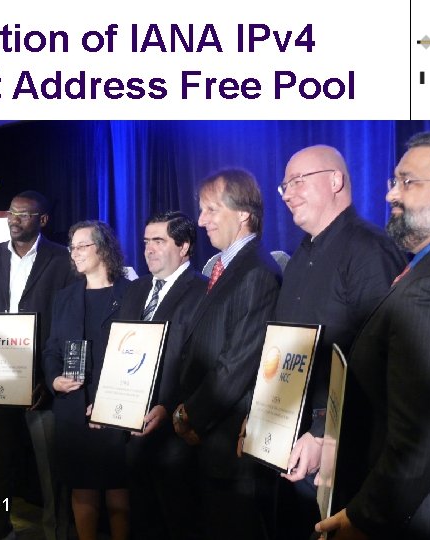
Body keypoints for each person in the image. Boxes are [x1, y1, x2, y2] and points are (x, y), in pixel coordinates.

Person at [316, 130, 430, 539]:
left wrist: (363, 518)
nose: (391, 193)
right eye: (395, 181)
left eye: (408, 182)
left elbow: (426, 435)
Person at [260, 145, 405, 538]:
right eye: (285, 186)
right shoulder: (300, 257)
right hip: (290, 444)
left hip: (345, 452)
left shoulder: (369, 250)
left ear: (336, 180)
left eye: (297, 182)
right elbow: (286, 351)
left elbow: (381, 361)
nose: (287, 194)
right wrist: (259, 417)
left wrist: (325, 432)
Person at [0, 190, 74, 540]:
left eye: (23, 214)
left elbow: (67, 323)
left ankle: (57, 533)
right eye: (11, 212)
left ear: (43, 220)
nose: (14, 219)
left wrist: (50, 377)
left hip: (41, 380)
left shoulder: (62, 259)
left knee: (51, 468)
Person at [172, 168, 281, 540]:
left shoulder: (256, 272)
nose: (201, 221)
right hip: (209, 441)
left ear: (243, 213)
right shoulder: (224, 267)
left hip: (227, 444)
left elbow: (237, 364)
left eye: (211, 210)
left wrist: (190, 415)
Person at [118, 211, 207, 540]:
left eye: (159, 241)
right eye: (146, 242)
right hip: (131, 427)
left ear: (184, 246)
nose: (149, 249)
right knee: (142, 521)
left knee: (178, 521)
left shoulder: (203, 291)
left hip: (174, 433)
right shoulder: (136, 288)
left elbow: (201, 361)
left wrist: (169, 406)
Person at [43, 220, 132, 540]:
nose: (75, 253)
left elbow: (138, 353)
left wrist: (108, 399)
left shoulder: (131, 294)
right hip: (72, 407)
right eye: (73, 247)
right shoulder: (65, 297)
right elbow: (52, 349)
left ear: (103, 248)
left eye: (82, 246)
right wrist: (54, 380)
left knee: (117, 487)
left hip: (115, 405)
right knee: (81, 486)